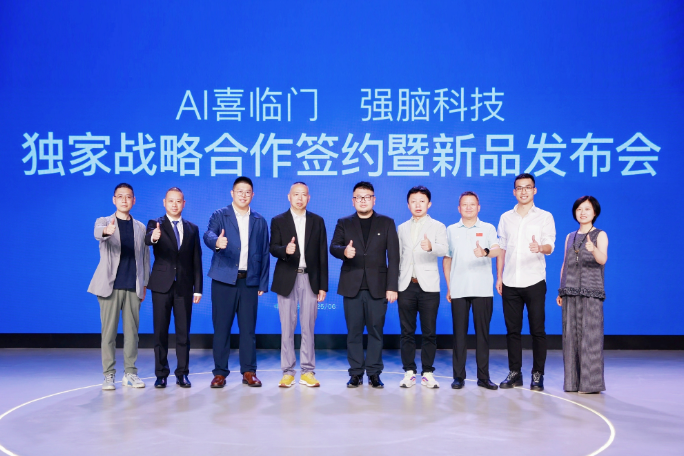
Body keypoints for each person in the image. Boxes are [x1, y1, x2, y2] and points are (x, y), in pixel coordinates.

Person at [330, 181, 399, 388]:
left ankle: (374, 373)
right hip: (352, 286)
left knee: (376, 332)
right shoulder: (344, 222)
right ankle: (356, 373)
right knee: (354, 332)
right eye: (358, 197)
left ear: (373, 200)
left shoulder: (386, 222)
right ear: (353, 201)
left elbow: (394, 257)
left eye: (367, 197)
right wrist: (344, 251)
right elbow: (333, 246)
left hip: (378, 287)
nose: (363, 201)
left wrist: (392, 286)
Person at [203, 176, 270, 388]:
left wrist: (262, 282)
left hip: (249, 282)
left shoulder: (259, 220)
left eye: (247, 192)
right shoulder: (220, 215)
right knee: (221, 328)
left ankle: (249, 371)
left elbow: (265, 253)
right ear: (232, 193)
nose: (243, 195)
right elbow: (208, 234)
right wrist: (217, 242)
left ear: (253, 195)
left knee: (248, 329)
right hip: (224, 280)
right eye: (239, 191)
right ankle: (220, 373)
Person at [496, 173, 556, 391]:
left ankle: (537, 374)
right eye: (519, 188)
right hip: (510, 281)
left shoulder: (545, 217)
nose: (523, 191)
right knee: (512, 331)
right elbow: (501, 249)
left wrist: (540, 247)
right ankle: (515, 372)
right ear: (514, 192)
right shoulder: (506, 217)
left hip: (534, 281)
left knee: (537, 330)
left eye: (527, 187)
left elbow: (550, 246)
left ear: (534, 190)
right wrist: (499, 277)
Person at [88, 183, 150, 390]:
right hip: (110, 287)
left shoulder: (140, 227)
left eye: (128, 196)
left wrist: (145, 284)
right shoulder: (104, 221)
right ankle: (108, 375)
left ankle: (130, 373)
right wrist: (107, 231)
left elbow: (145, 258)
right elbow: (98, 233)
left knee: (132, 334)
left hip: (133, 286)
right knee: (109, 334)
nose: (124, 200)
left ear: (134, 200)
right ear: (114, 200)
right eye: (120, 196)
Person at [270, 182, 328, 388]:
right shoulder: (278, 220)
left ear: (309, 198)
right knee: (287, 327)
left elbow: (322, 255)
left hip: (310, 278)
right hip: (287, 278)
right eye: (296, 194)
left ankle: (307, 371)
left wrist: (323, 285)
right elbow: (273, 247)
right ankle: (287, 372)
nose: (300, 198)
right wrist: (285, 250)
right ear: (289, 197)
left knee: (308, 327)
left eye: (304, 194)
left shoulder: (317, 221)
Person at [145, 187, 203, 389]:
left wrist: (198, 288)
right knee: (160, 332)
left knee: (183, 333)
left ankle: (182, 373)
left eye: (178, 201)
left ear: (184, 203)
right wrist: (154, 236)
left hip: (184, 287)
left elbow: (197, 260)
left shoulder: (192, 228)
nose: (174, 204)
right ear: (164, 202)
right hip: (161, 285)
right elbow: (148, 239)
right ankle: (161, 374)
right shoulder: (155, 224)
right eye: (171, 201)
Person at [443, 191, 502, 390]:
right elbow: (447, 259)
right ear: (459, 208)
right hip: (459, 289)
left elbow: (497, 250)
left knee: (482, 335)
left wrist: (485, 252)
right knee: (459, 335)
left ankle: (483, 377)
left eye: (472, 204)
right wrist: (449, 286)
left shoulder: (488, 228)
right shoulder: (451, 230)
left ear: (479, 207)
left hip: (482, 289)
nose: (468, 207)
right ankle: (458, 376)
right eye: (464, 204)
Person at [396, 186, 447, 389]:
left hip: (429, 286)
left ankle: (427, 373)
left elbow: (445, 249)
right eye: (414, 201)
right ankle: (409, 372)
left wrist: (431, 247)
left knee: (429, 332)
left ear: (429, 204)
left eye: (422, 201)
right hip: (406, 284)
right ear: (408, 204)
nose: (418, 205)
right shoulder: (401, 228)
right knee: (406, 331)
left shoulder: (438, 226)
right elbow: (398, 256)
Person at [557, 196, 608, 393]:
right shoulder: (570, 237)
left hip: (591, 292)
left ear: (594, 212)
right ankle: (572, 383)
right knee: (570, 337)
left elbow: (602, 259)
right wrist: (561, 289)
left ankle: (590, 384)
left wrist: (593, 249)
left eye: (587, 209)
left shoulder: (600, 234)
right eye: (579, 209)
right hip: (570, 291)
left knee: (590, 337)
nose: (583, 212)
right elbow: (565, 264)